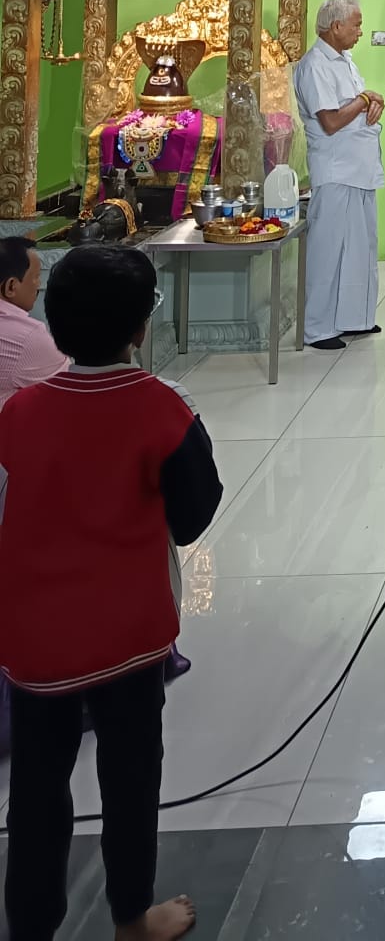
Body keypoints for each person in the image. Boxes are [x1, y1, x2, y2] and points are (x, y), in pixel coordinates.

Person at [0, 245, 223, 941]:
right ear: (139, 328)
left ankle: (30, 927)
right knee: (131, 783)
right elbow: (192, 516)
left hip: (33, 642)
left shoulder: (18, 413)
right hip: (129, 639)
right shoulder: (160, 410)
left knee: (36, 792)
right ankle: (132, 919)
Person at [293, 0, 384, 352]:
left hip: (359, 167)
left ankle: (353, 319)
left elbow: (356, 104)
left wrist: (373, 103)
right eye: (357, 24)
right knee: (328, 250)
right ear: (336, 26)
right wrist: (364, 101)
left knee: (360, 248)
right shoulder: (315, 65)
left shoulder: (343, 60)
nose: (360, 31)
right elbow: (330, 121)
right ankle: (316, 328)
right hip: (335, 169)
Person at [0, 237, 66, 408]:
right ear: (11, 287)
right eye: (36, 277)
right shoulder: (26, 337)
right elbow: (69, 387)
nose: (38, 285)